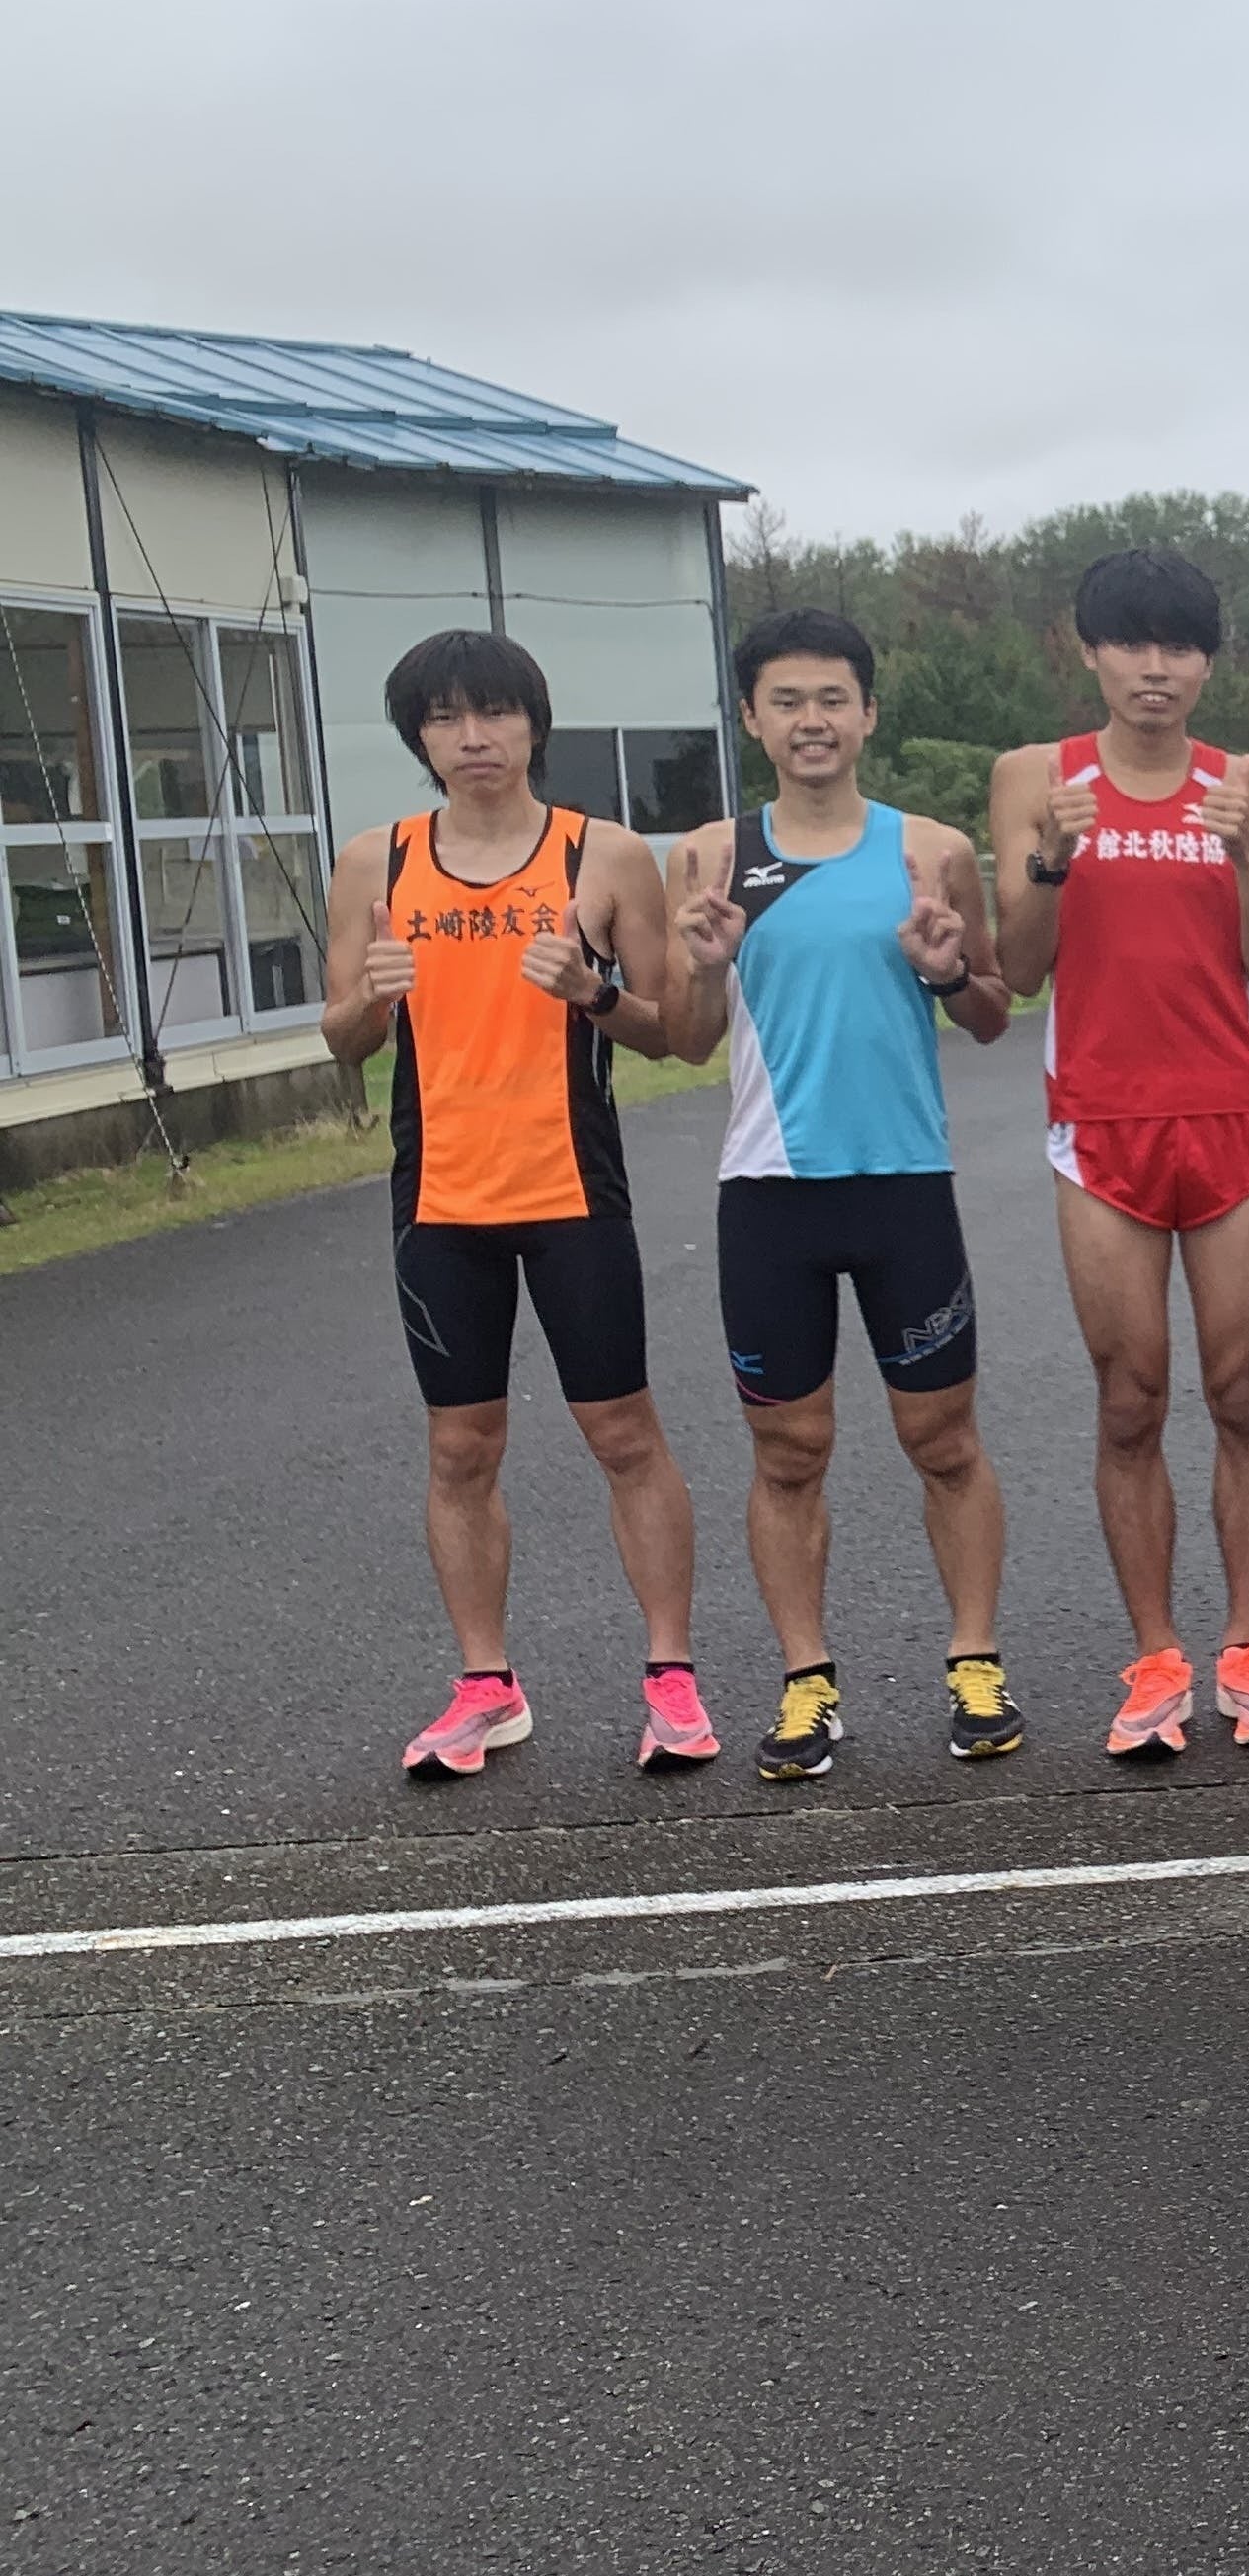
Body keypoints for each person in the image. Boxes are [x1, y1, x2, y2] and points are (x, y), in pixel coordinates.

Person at [321, 628, 704, 1780]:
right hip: (440, 1200)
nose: (472, 736)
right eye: (444, 717)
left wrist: (595, 991)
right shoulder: (376, 862)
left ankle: (671, 1676)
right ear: (418, 737)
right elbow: (342, 1040)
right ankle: (487, 1685)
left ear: (535, 724)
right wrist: (370, 1003)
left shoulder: (604, 855)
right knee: (460, 1448)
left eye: (493, 712)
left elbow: (675, 1035)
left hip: (571, 1187)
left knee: (624, 1433)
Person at [661, 610, 1015, 1779]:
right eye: (786, 701)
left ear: (868, 712)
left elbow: (992, 1012)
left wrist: (948, 972)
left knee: (943, 1439)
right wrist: (704, 967)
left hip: (903, 1184)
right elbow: (685, 1035)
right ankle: (806, 1681)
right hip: (771, 1194)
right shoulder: (710, 857)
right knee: (788, 1452)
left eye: (832, 699)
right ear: (751, 718)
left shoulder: (932, 849)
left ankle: (975, 1663)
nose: (811, 721)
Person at [991, 550, 1249, 1760]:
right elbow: (1021, 969)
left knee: (1243, 1392)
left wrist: (1244, 860)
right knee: (1130, 1399)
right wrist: (1051, 859)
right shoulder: (1038, 777)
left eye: (1179, 647)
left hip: (1228, 1117)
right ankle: (1157, 1656)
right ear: (1091, 652)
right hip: (1102, 1124)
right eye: (1131, 643)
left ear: (1208, 664)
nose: (1155, 668)